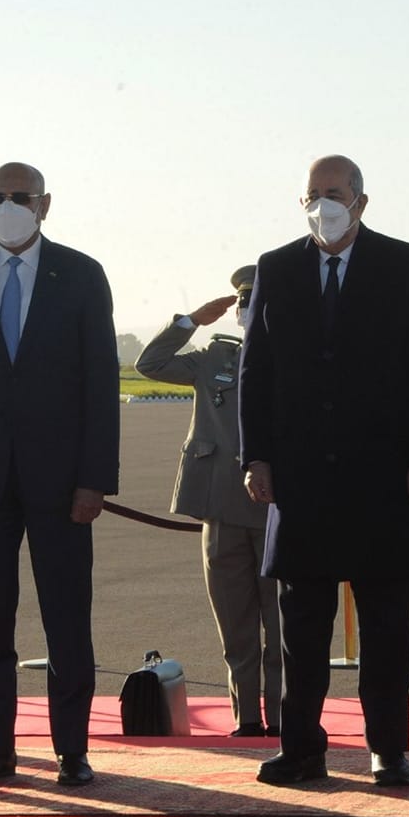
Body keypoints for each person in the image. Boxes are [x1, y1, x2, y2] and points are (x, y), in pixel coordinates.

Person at [238, 155, 409, 787]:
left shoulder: (404, 263)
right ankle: (301, 747)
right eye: (312, 194)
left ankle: (388, 747)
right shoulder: (277, 267)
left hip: (385, 478)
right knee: (302, 631)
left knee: (387, 629)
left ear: (361, 200)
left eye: (333, 193)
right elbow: (255, 371)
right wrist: (257, 456)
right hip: (301, 481)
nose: (322, 205)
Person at [0, 161, 119, 788]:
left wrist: (95, 480)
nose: (7, 207)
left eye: (19, 197)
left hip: (62, 485)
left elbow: (101, 381)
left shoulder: (82, 274)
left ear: (44, 204)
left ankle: (72, 751)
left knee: (68, 622)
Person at [135, 265, 280, 738]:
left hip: (278, 510)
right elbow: (150, 364)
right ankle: (248, 718)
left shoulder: (296, 355)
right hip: (221, 507)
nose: (247, 311)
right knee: (235, 625)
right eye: (243, 304)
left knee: (280, 627)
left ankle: (282, 718)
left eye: (256, 303)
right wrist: (191, 321)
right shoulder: (215, 357)